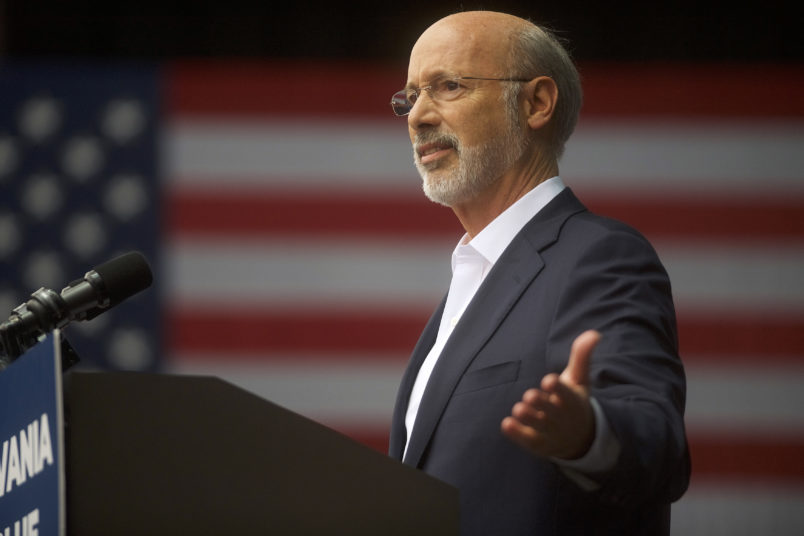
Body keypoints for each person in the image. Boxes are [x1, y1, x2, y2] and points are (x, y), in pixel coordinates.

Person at [387, 10, 690, 536]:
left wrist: (588, 433)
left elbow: (657, 445)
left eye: (448, 86)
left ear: (536, 103)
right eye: (411, 97)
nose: (418, 116)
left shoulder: (599, 256)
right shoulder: (473, 278)